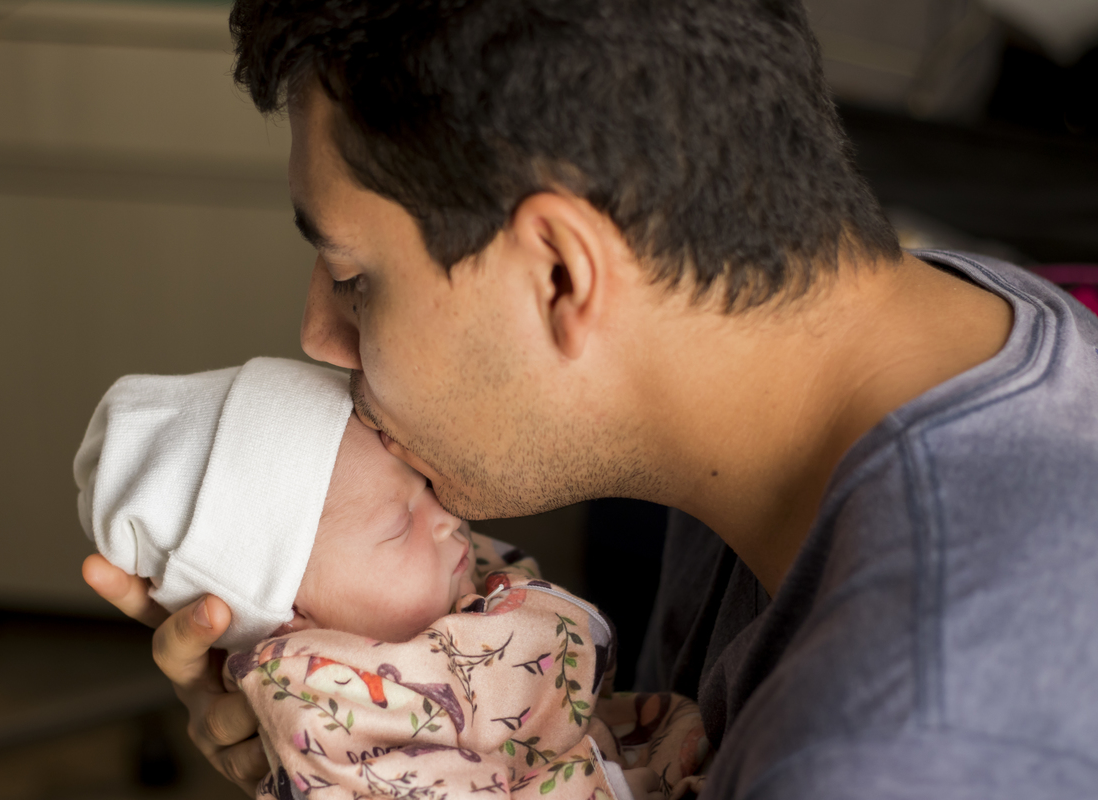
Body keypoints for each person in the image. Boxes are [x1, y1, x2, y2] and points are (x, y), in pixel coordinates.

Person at [82, 1, 1098, 797]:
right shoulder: (882, 353)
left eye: (354, 276)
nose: (318, 335)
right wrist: (371, 748)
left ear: (562, 274)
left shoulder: (906, 746)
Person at [75, 357, 708, 800]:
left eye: (425, 485)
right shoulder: (334, 710)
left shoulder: (444, 585)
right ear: (292, 616)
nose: (447, 517)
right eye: (400, 524)